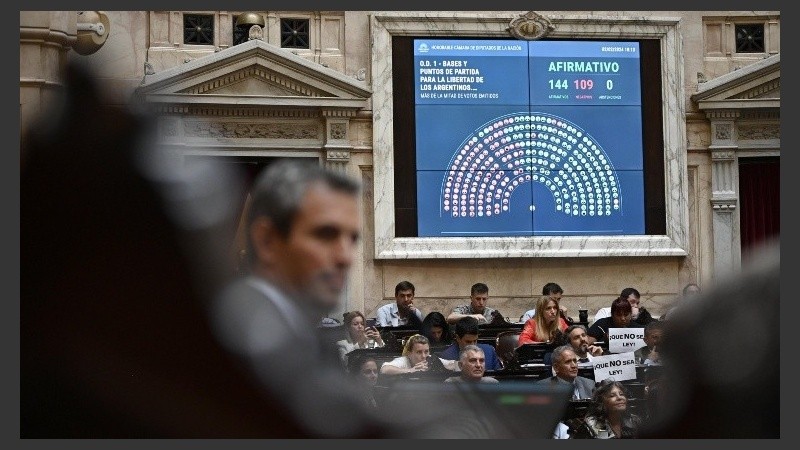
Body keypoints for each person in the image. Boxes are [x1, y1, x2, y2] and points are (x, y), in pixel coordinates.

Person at [210, 159, 394, 437]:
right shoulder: (240, 334)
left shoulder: (306, 336)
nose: (345, 257)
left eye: (352, 238)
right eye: (325, 234)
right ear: (268, 241)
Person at [570, 379, 643, 439]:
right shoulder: (593, 425)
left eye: (621, 394)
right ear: (602, 402)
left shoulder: (634, 421)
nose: (619, 398)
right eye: (612, 395)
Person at [438, 317, 502, 372]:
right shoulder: (446, 356)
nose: (473, 346)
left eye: (475, 341)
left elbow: (498, 377)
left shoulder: (489, 351)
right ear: (458, 338)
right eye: (468, 342)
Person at [379, 334, 458, 375]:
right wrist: (410, 370)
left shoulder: (431, 359)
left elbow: (456, 364)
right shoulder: (404, 361)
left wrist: (442, 368)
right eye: (419, 352)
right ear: (409, 353)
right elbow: (384, 369)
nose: (424, 356)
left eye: (426, 351)